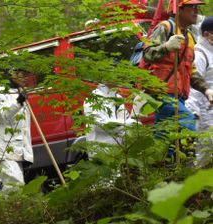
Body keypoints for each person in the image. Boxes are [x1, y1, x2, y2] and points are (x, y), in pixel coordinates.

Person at [141, 0, 213, 134]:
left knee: (167, 136)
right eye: (192, 7)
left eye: (197, 7)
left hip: (178, 95)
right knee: (187, 122)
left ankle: (161, 154)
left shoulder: (189, 37)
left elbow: (190, 70)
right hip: (162, 93)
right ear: (178, 9)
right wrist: (166, 47)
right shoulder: (165, 27)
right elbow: (147, 54)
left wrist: (206, 90)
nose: (196, 11)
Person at [0, 68, 34, 190]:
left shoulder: (20, 93)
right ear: (12, 75)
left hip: (16, 151)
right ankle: (10, 209)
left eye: (26, 75)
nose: (25, 78)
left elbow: (23, 128)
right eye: (22, 75)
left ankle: (7, 208)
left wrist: (26, 153)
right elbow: (0, 115)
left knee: (13, 186)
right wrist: (18, 102)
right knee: (14, 185)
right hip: (3, 150)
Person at [186, 16, 213, 166]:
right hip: (205, 113)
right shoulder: (199, 54)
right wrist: (195, 113)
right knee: (204, 152)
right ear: (206, 34)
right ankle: (196, 186)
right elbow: (194, 87)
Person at [83, 84, 135, 157]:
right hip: (100, 152)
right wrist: (127, 124)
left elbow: (124, 118)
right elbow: (98, 124)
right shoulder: (93, 99)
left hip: (119, 149)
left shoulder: (118, 98)